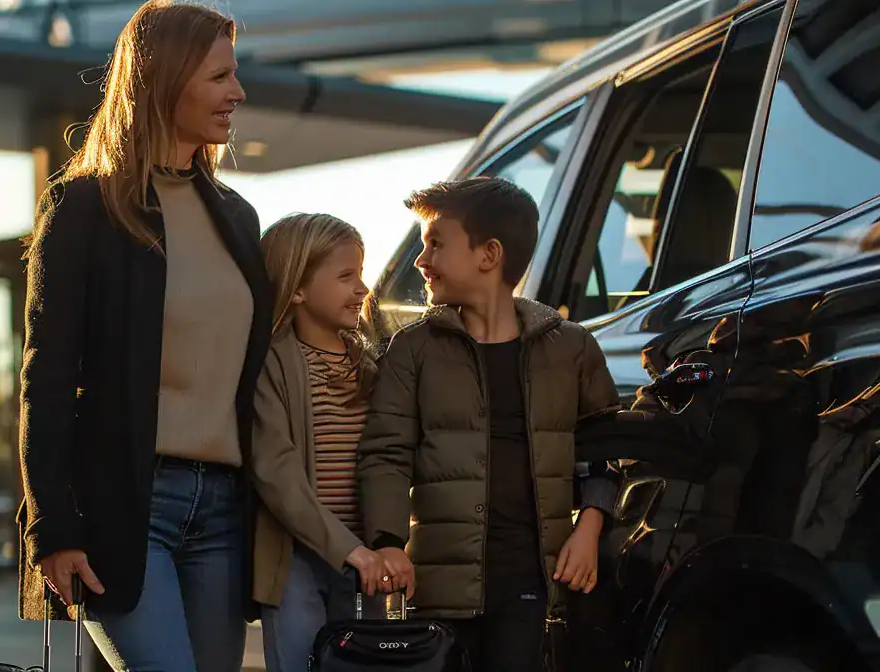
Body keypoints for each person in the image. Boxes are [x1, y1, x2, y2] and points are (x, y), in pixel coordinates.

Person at [17, 1, 269, 670]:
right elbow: (45, 379)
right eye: (219, 77)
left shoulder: (239, 220)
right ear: (164, 78)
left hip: (223, 510)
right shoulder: (82, 211)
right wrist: (50, 526)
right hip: (124, 508)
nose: (237, 93)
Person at [358, 176, 620, 669]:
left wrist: (589, 526)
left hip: (532, 583)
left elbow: (605, 449)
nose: (422, 260)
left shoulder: (570, 348)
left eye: (436, 243)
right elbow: (386, 454)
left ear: (489, 254)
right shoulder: (412, 350)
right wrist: (389, 543)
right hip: (438, 586)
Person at [248, 214, 389, 672]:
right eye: (346, 276)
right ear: (297, 288)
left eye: (361, 274)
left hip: (367, 564)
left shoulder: (373, 365)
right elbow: (276, 469)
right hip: (295, 562)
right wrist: (348, 548)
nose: (362, 289)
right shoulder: (273, 364)